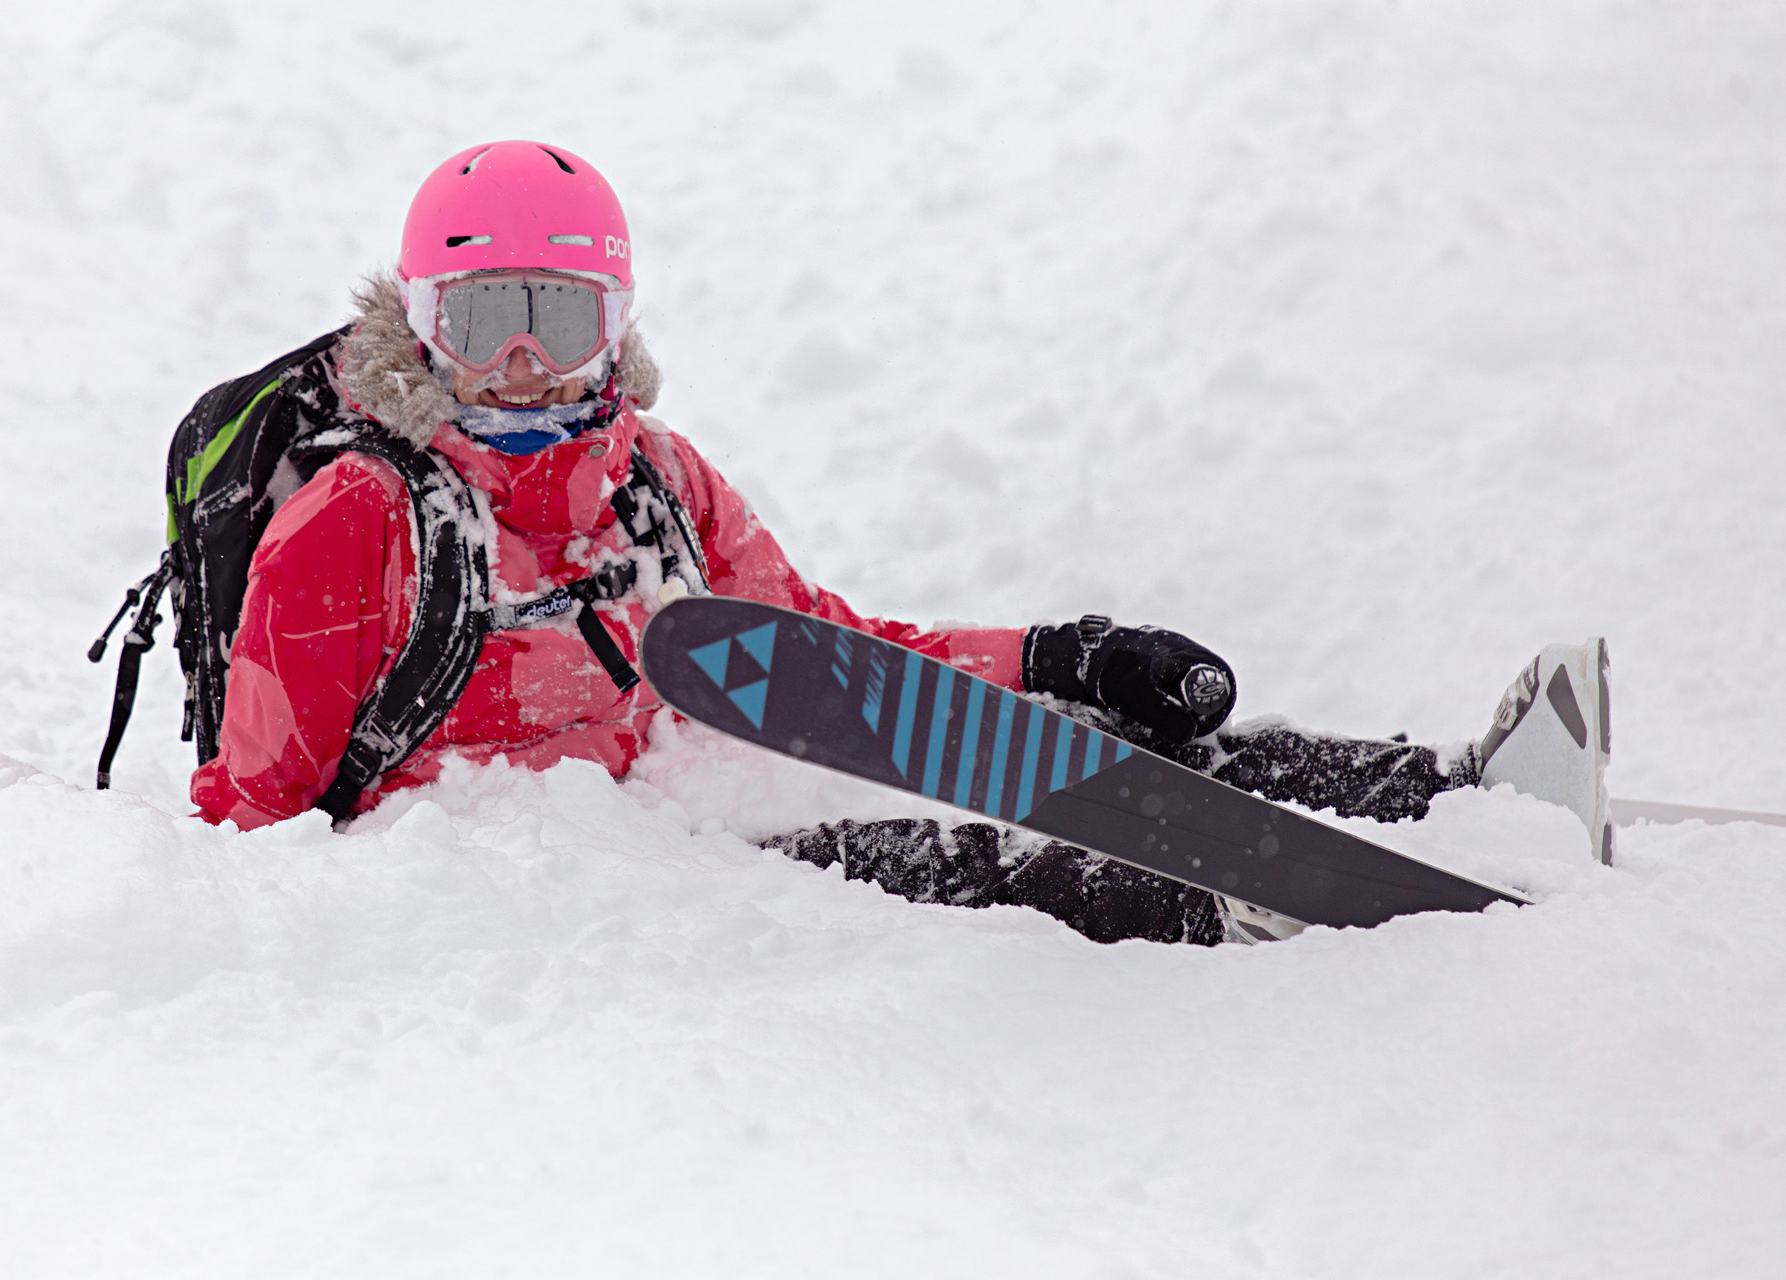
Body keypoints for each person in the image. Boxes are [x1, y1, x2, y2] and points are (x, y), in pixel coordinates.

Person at [186, 140, 1611, 945]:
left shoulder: (658, 480)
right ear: (415, 326)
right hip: (583, 888)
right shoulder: (359, 521)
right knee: (983, 852)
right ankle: (1240, 914)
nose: (514, 363)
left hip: (684, 793)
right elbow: (254, 807)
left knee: (1071, 741)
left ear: (614, 327)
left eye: (556, 320)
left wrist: (1066, 653)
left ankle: (1446, 786)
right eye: (477, 318)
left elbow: (835, 660)